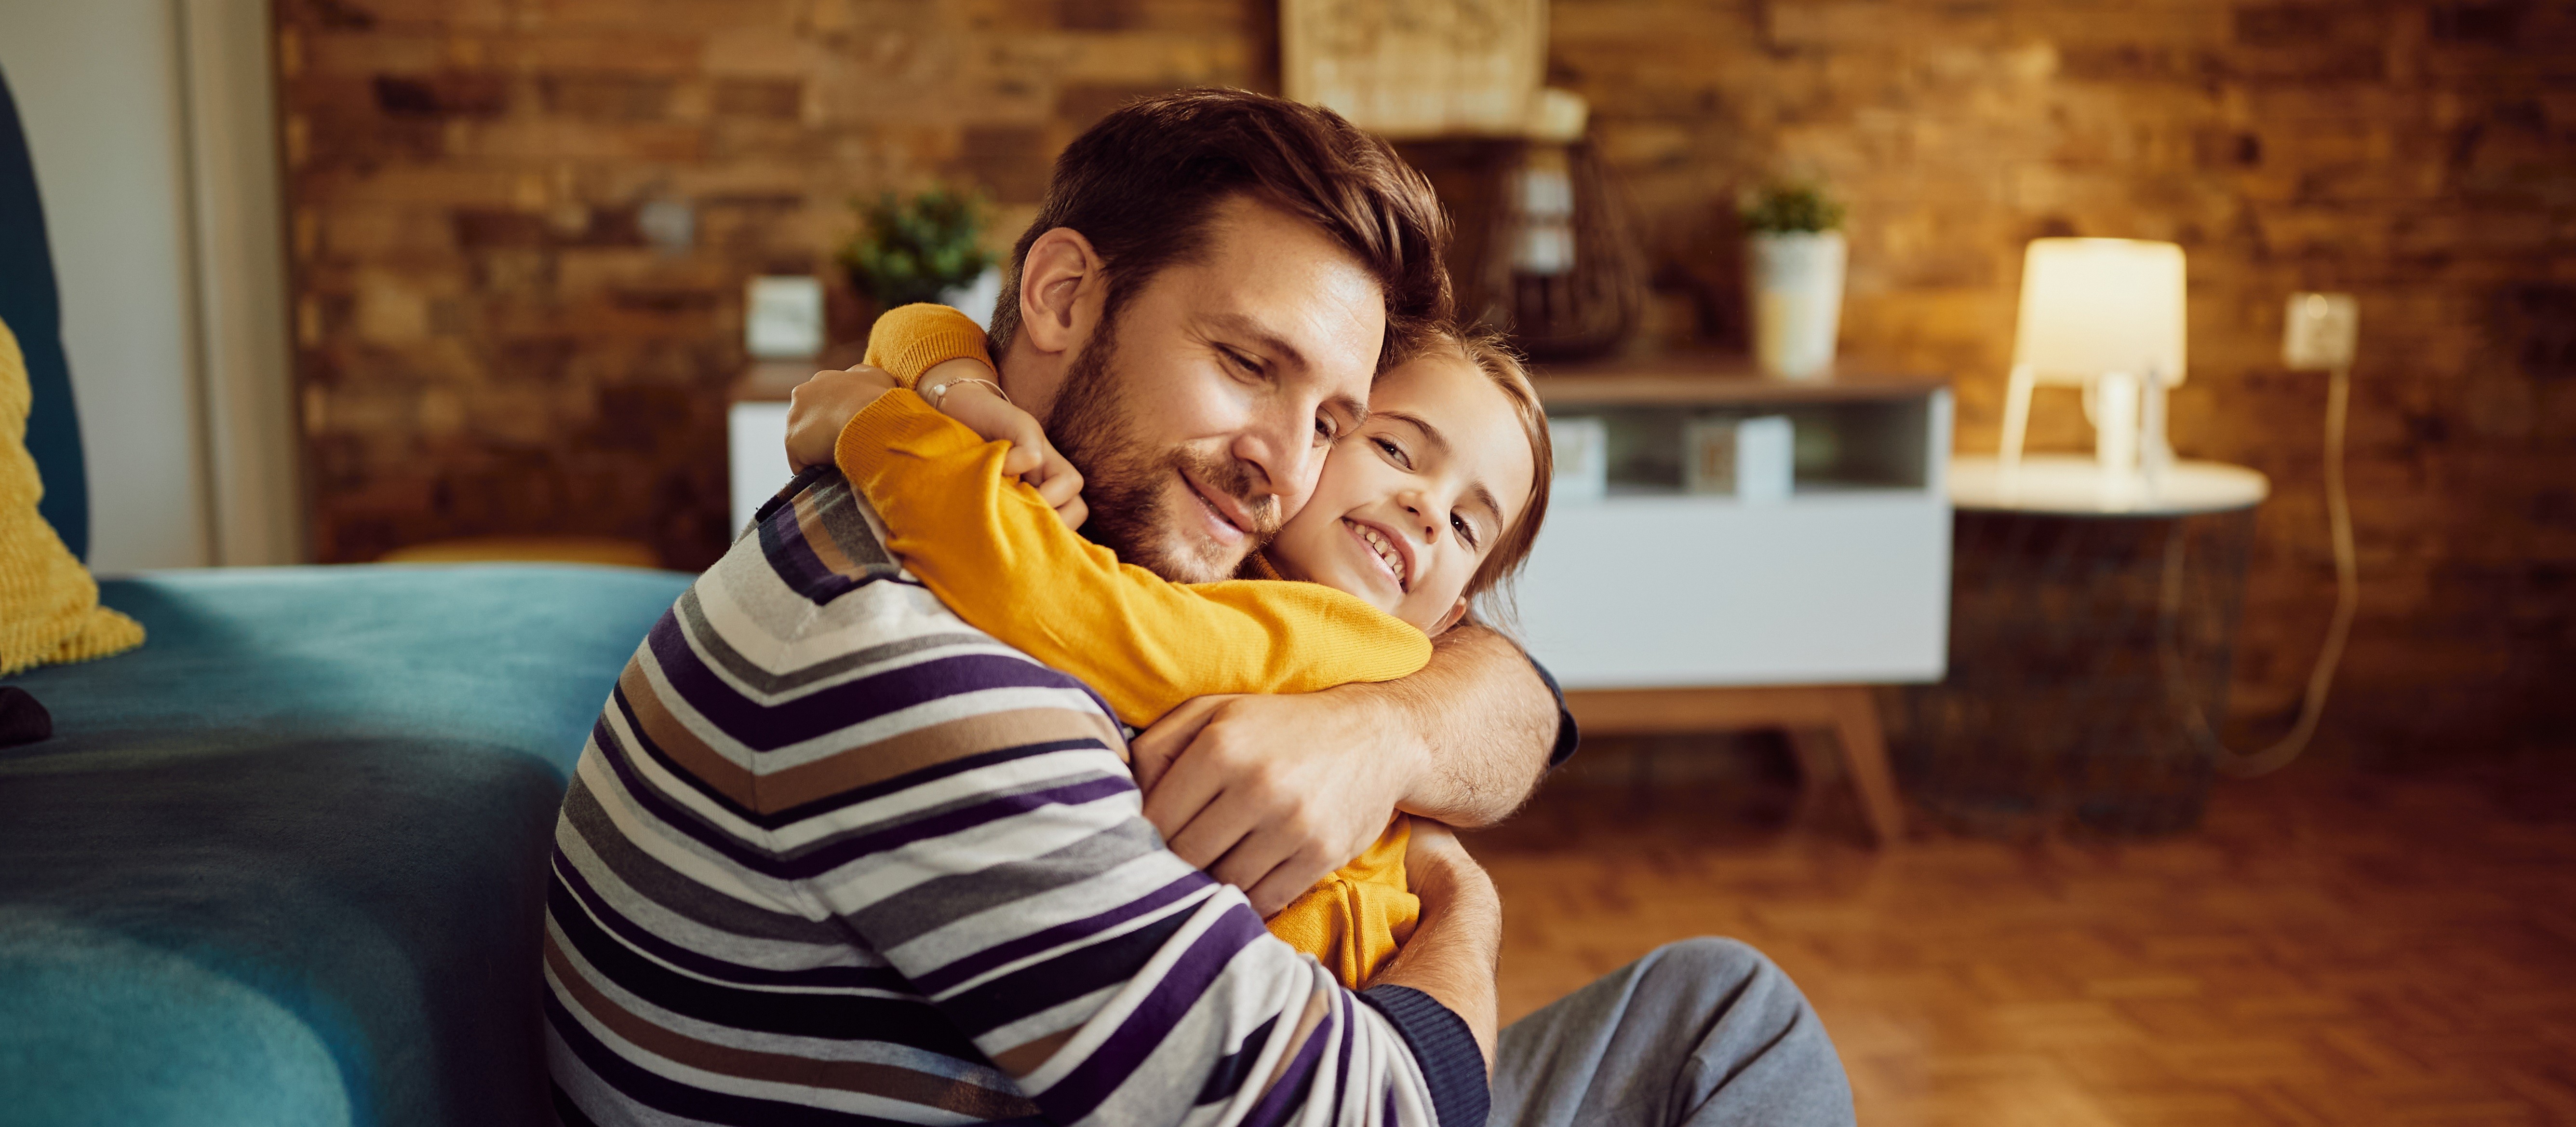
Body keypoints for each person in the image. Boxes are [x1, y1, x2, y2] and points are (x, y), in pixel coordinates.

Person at [540, 88, 1855, 1127]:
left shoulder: (962, 510)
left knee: (1723, 1006)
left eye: (1335, 420)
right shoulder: (932, 681)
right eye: (1244, 363)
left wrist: (1388, 737)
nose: (1283, 465)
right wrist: (1464, 911)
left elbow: (1509, 693)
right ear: (1062, 295)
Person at [788, 302, 1553, 990]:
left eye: (1463, 526)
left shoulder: (1354, 639)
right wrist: (969, 393)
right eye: (1396, 449)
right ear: (1313, 439)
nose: (1427, 507)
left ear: (1450, 614)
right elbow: (919, 320)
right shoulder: (1210, 551)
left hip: (1319, 1046)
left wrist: (883, 427)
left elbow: (1067, 605)